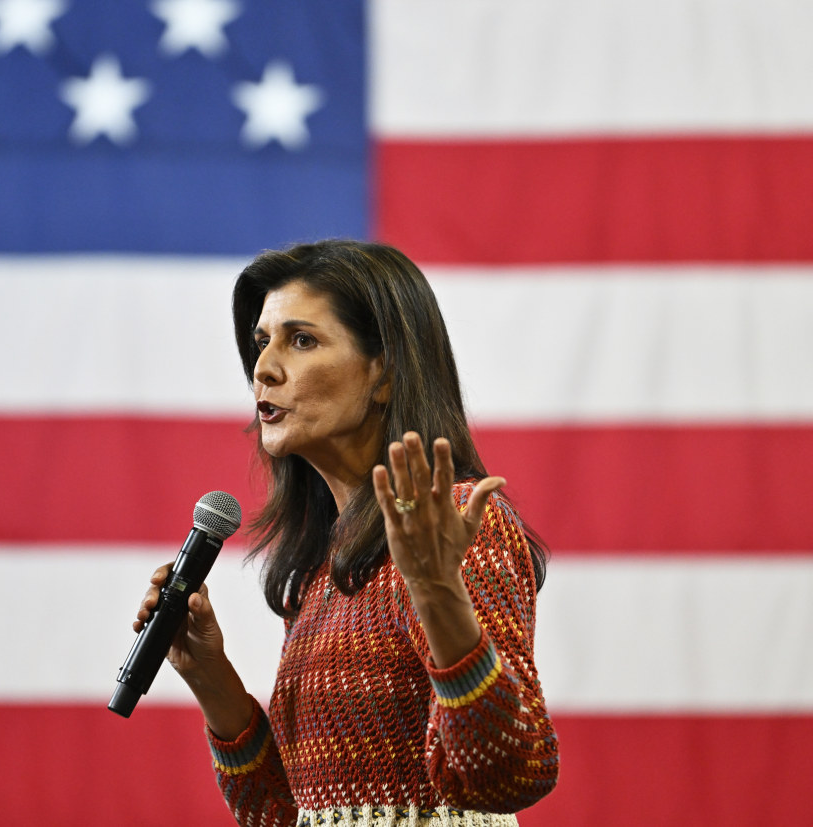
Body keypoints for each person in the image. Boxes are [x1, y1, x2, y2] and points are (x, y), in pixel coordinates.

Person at [133, 240, 559, 826]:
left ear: (385, 372)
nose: (263, 369)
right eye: (262, 342)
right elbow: (286, 816)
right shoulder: (320, 568)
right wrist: (209, 675)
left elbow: (508, 772)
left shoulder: (457, 523)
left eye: (301, 340)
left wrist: (436, 591)